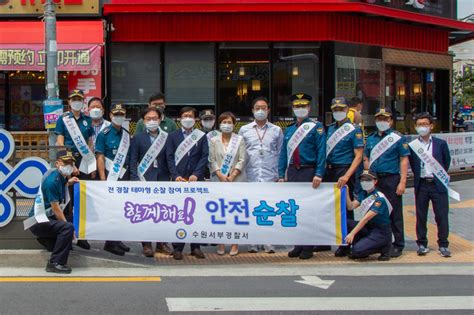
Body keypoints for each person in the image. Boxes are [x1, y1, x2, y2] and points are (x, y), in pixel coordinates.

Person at [278, 93, 326, 260]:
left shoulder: (316, 127)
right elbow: (283, 154)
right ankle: (298, 244)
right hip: (293, 171)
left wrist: (319, 173)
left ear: (309, 108)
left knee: (309, 209)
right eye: (297, 106)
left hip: (309, 171)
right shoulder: (290, 129)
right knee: (295, 208)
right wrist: (281, 173)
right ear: (292, 109)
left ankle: (308, 246)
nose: (300, 109)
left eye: (303, 106)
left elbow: (321, 152)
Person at [239, 96, 283, 254]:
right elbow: (240, 153)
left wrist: (280, 174)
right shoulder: (244, 130)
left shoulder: (276, 130)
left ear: (269, 110)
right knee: (251, 208)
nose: (260, 110)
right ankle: (252, 242)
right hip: (250, 174)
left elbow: (280, 153)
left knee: (268, 208)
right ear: (252, 110)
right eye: (257, 108)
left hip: (270, 174)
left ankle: (269, 242)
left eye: (263, 108)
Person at [364, 107, 410, 258]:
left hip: (391, 179)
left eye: (385, 119)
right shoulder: (370, 138)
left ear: (391, 121)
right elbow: (366, 158)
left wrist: (402, 182)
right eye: (379, 119)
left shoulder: (398, 138)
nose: (382, 122)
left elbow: (404, 160)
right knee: (375, 212)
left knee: (394, 212)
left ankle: (398, 244)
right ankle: (379, 242)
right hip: (375, 180)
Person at [166, 106, 209, 260]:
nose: (188, 118)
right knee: (179, 214)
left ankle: (195, 247)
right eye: (185, 115)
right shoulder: (173, 136)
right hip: (179, 180)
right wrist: (175, 175)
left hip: (196, 180)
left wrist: (197, 174)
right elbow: (169, 157)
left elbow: (205, 156)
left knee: (196, 214)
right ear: (180, 118)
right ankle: (178, 247)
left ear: (195, 119)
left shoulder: (201, 136)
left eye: (190, 116)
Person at [130, 107, 173, 257]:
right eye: (148, 119)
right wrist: (135, 179)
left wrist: (174, 176)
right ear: (143, 121)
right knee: (146, 213)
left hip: (162, 179)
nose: (152, 121)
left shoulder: (167, 137)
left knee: (162, 212)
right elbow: (133, 160)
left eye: (155, 118)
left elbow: (170, 159)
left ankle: (161, 243)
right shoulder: (138, 138)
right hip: (144, 179)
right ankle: (146, 244)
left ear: (160, 119)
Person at [28, 150, 79, 273]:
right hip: (37, 221)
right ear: (57, 163)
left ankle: (50, 241)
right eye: (65, 163)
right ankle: (55, 263)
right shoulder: (53, 181)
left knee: (72, 220)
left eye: (71, 164)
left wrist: (68, 183)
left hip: (46, 218)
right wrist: (70, 230)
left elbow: (60, 188)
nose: (68, 166)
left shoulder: (59, 177)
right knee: (67, 227)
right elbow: (56, 209)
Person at [408, 113, 452, 257]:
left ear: (431, 126)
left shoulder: (440, 144)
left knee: (441, 216)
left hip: (438, 185)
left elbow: (446, 162)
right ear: (415, 127)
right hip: (421, 185)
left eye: (425, 124)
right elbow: (413, 165)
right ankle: (421, 244)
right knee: (421, 215)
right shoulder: (413, 145)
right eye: (419, 124)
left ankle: (443, 245)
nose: (422, 127)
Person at [54, 89, 94, 250]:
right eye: (74, 99)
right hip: (68, 160)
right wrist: (71, 165)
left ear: (83, 101)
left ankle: (82, 235)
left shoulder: (87, 120)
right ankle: (68, 235)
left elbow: (90, 142)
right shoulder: (63, 119)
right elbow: (59, 142)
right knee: (68, 199)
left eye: (79, 99)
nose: (77, 102)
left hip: (84, 160)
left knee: (82, 199)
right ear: (69, 102)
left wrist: (89, 162)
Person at [325, 97, 364, 257]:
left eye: (341, 109)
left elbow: (359, 156)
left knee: (345, 209)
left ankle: (346, 242)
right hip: (330, 170)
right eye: (335, 110)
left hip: (344, 170)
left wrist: (347, 176)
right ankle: (326, 241)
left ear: (347, 110)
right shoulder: (329, 129)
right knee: (329, 207)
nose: (338, 112)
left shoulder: (354, 130)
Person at [95, 104, 131, 256]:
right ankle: (110, 243)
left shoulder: (126, 134)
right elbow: (100, 157)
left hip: (124, 178)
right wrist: (103, 179)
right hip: (110, 177)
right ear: (110, 115)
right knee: (110, 211)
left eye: (121, 114)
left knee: (121, 210)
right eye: (116, 114)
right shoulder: (104, 134)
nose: (118, 117)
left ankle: (117, 239)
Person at [209, 111, 247, 256]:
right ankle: (221, 243)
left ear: (234, 124)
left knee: (235, 213)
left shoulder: (240, 140)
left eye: (229, 122)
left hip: (236, 180)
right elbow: (211, 160)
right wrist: (219, 173)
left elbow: (242, 159)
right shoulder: (214, 140)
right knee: (220, 213)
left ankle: (234, 244)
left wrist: (233, 175)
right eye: (224, 122)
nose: (226, 125)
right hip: (219, 180)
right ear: (219, 124)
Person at [343, 170, 392, 261]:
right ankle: (364, 244)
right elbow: (351, 206)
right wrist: (346, 192)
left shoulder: (379, 198)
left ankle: (384, 246)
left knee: (357, 251)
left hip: (381, 231)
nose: (364, 182)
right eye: (362, 180)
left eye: (368, 180)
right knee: (346, 223)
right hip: (369, 227)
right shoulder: (364, 194)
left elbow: (366, 218)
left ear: (375, 181)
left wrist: (352, 234)